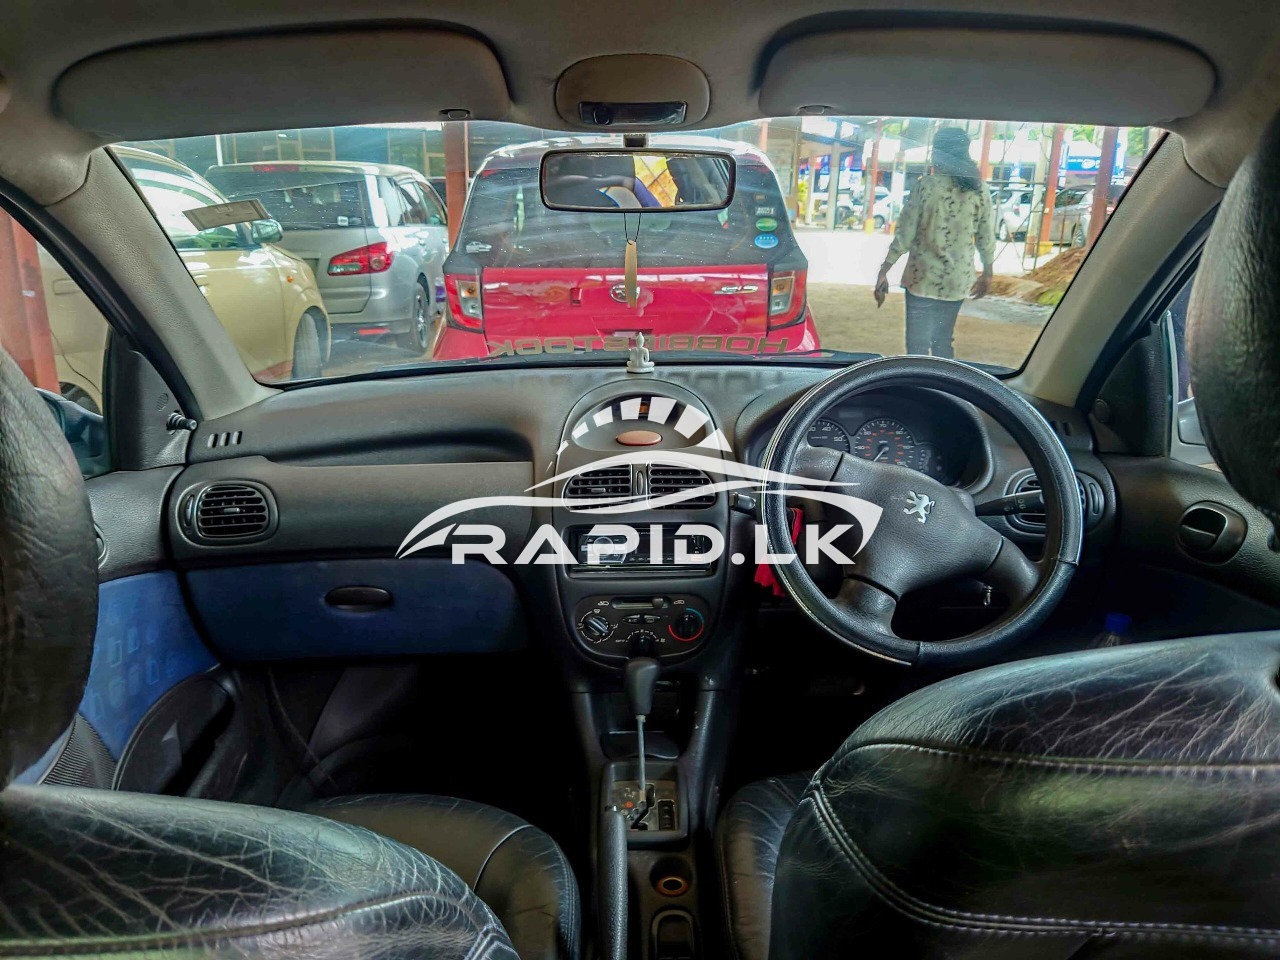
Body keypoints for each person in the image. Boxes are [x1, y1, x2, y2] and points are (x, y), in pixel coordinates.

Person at [874, 126, 996, 358]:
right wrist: (988, 272)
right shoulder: (979, 190)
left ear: (937, 153)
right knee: (943, 342)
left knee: (917, 347)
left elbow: (904, 235)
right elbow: (986, 236)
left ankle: (918, 382)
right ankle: (943, 380)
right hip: (956, 281)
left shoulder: (926, 187)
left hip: (922, 279)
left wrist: (884, 269)